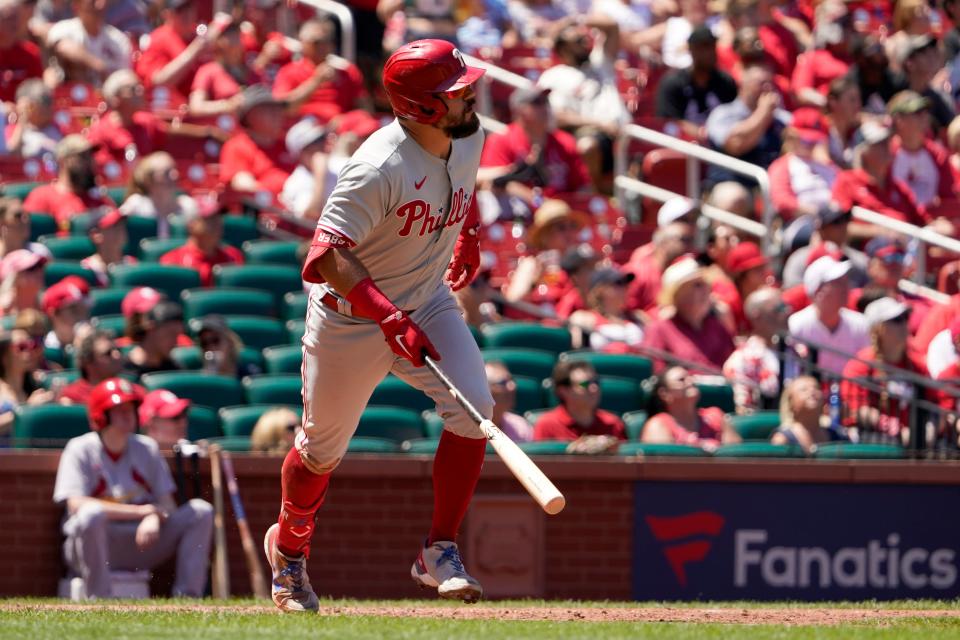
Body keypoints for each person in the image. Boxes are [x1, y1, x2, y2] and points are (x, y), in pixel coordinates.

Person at [263, 40, 491, 612]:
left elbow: (462, 189)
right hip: (352, 318)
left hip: (427, 297)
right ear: (425, 108)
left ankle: (438, 550)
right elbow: (324, 256)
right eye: (458, 92)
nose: (472, 96)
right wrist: (386, 316)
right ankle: (289, 556)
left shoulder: (470, 135)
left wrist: (467, 234)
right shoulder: (378, 165)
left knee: (475, 413)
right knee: (320, 452)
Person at [53, 378, 213, 599]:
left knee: (200, 511)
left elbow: (167, 504)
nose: (128, 415)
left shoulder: (146, 448)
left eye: (130, 408)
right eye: (119, 410)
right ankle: (98, 598)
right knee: (91, 514)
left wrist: (155, 517)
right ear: (101, 416)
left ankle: (188, 597)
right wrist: (142, 512)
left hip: (140, 542)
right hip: (94, 545)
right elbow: (76, 504)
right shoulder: (79, 448)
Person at [537, 16, 631, 187]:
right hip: (590, 132)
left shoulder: (600, 62)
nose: (585, 41)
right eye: (578, 40)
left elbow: (612, 25)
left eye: (584, 38)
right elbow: (556, 116)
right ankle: (594, 197)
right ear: (563, 48)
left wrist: (575, 20)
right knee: (587, 146)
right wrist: (600, 123)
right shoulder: (554, 76)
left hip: (623, 132)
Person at [477, 85, 592, 203]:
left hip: (563, 213)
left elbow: (583, 187)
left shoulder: (565, 141)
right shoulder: (501, 140)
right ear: (518, 110)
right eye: (537, 102)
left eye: (546, 101)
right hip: (519, 213)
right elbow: (493, 183)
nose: (545, 107)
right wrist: (540, 202)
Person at [840, 297, 922, 441]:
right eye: (897, 320)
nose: (904, 324)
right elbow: (857, 409)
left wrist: (925, 429)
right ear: (879, 328)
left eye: (905, 317)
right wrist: (893, 428)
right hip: (872, 438)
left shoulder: (916, 364)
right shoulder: (860, 363)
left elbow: (936, 403)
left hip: (911, 440)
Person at [640, 255, 735, 371]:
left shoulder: (717, 327)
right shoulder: (659, 330)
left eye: (706, 284)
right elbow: (654, 372)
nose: (706, 290)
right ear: (677, 295)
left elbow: (734, 365)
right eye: (697, 285)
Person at [704, 60, 789, 188]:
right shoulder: (723, 113)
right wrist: (763, 113)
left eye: (770, 83)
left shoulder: (781, 119)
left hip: (772, 188)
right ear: (743, 85)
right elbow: (736, 144)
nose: (767, 88)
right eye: (761, 83)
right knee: (734, 197)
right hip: (732, 185)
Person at [831, 122, 930, 230]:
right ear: (863, 152)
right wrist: (878, 231)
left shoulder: (898, 187)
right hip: (869, 245)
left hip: (905, 244)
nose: (887, 146)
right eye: (879, 143)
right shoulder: (847, 181)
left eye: (887, 142)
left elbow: (923, 222)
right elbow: (837, 226)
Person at [272, 17, 371, 124]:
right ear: (303, 43)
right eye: (317, 42)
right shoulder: (288, 71)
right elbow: (283, 108)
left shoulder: (347, 71)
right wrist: (316, 81)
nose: (324, 46)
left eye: (329, 41)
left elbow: (365, 108)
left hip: (340, 127)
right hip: (305, 127)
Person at [788, 255, 870, 374]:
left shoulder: (860, 324)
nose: (846, 288)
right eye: (837, 283)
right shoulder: (796, 325)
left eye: (845, 281)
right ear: (818, 291)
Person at [655, 25, 737, 142]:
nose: (709, 53)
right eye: (703, 47)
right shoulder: (673, 83)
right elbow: (668, 122)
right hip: (683, 147)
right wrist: (701, 134)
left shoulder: (724, 81)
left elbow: (735, 114)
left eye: (711, 46)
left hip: (721, 146)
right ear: (692, 50)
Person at [137, 1, 231, 99]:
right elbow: (158, 81)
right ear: (166, 14)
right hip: (171, 107)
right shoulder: (159, 38)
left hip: (204, 102)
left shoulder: (198, 32)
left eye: (190, 8)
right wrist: (194, 50)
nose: (187, 14)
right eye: (180, 10)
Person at [502, 200, 586, 308]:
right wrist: (534, 281)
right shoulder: (532, 264)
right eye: (561, 227)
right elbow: (513, 301)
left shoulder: (582, 265)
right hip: (537, 323)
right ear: (544, 236)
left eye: (572, 226)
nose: (569, 232)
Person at [22, 135, 114, 233]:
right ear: (63, 161)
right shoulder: (42, 196)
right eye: (82, 157)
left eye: (90, 157)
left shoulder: (100, 200)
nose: (89, 162)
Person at [219, 85, 296, 196]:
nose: (277, 114)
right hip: (268, 209)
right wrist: (277, 198)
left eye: (278, 109)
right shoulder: (237, 146)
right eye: (268, 110)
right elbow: (243, 185)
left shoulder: (289, 144)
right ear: (249, 116)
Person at [888, 91, 960, 211]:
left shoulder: (938, 154)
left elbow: (949, 197)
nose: (924, 117)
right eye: (917, 113)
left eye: (925, 112)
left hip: (931, 223)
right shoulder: (885, 154)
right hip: (896, 223)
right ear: (898, 120)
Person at [722, 287, 790, 414]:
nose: (787, 312)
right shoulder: (741, 360)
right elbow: (744, 410)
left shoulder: (798, 352)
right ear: (757, 317)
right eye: (779, 309)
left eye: (786, 306)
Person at [641, 365, 741, 450]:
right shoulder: (658, 425)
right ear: (665, 394)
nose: (691, 381)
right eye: (682, 380)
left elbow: (737, 456)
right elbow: (662, 467)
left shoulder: (715, 416)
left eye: (690, 377)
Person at [767, 108, 838, 221]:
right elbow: (782, 201)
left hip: (834, 225)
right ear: (791, 136)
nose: (811, 145)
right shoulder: (781, 166)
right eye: (806, 140)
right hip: (800, 225)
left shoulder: (829, 166)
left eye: (815, 140)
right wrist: (818, 214)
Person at [159, 196, 244, 287]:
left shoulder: (234, 256)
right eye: (209, 218)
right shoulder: (172, 261)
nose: (217, 222)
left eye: (218, 217)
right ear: (191, 224)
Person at [533, 360, 626, 442]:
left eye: (596, 382)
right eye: (585, 384)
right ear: (563, 391)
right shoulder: (547, 425)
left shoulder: (612, 424)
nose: (594, 388)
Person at [188, 20, 265, 117]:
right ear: (218, 41)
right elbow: (196, 107)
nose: (236, 38)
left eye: (236, 33)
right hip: (223, 127)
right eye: (229, 34)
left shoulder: (252, 72)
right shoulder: (208, 71)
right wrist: (227, 105)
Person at [781, 204, 868, 290]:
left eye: (846, 219)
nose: (843, 226)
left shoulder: (859, 259)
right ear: (821, 228)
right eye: (836, 222)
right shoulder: (799, 258)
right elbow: (791, 292)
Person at [46, 0, 132, 85]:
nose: (100, 5)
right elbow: (63, 48)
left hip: (106, 95)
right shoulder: (64, 28)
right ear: (76, 6)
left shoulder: (118, 39)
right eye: (93, 1)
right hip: (74, 92)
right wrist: (97, 65)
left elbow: (124, 78)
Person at [624, 217, 696, 316]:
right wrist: (657, 317)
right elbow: (625, 311)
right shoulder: (637, 272)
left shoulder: (683, 271)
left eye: (691, 240)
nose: (690, 246)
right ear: (664, 243)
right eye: (684, 240)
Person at [789, 0, 854, 108]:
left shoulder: (856, 58)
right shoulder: (813, 57)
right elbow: (800, 92)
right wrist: (830, 104)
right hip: (826, 116)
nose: (845, 30)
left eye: (846, 23)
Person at [119, 151, 197, 239]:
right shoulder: (137, 204)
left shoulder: (188, 206)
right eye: (166, 173)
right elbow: (115, 228)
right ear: (149, 180)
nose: (174, 176)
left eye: (174, 170)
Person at [568, 267, 644, 352]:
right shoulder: (585, 318)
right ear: (600, 290)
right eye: (618, 283)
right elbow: (576, 351)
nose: (625, 289)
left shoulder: (638, 318)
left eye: (626, 284)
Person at [279, 118, 339, 222]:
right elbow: (311, 216)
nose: (321, 145)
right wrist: (320, 175)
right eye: (314, 143)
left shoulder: (339, 162)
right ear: (300, 153)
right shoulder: (295, 182)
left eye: (322, 139)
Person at [0, 327, 55, 437]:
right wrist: (27, 410)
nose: (30, 352)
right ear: (4, 356)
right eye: (22, 347)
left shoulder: (37, 385)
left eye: (32, 346)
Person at [771, 375, 848, 453]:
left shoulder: (837, 436)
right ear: (791, 403)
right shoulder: (782, 439)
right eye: (804, 390)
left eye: (816, 388)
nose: (812, 391)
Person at [896, 34, 955, 133]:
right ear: (909, 63)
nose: (931, 55)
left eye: (931, 50)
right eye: (923, 52)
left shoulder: (939, 97)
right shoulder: (893, 92)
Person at [713, 241, 772, 334]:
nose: (764, 272)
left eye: (763, 267)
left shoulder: (764, 295)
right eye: (757, 269)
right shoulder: (729, 302)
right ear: (741, 275)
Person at [121, 300, 184, 378]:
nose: (175, 341)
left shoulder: (174, 370)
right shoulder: (124, 371)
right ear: (151, 328)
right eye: (170, 334)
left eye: (176, 335)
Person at [58, 330, 123, 405]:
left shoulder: (127, 389)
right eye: (108, 353)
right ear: (88, 362)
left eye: (118, 350)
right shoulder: (72, 397)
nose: (117, 356)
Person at [4, 79, 63, 159]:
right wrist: (23, 120)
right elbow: (10, 155)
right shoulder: (12, 130)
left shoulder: (58, 127)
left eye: (48, 102)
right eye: (44, 102)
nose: (48, 108)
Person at [81, 208, 137, 287]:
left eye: (122, 226)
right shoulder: (86, 269)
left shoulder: (133, 264)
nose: (121, 230)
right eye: (114, 227)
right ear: (96, 235)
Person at [0, 0, 43, 104]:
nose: (14, 23)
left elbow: (36, 91)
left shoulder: (31, 53)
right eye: (9, 18)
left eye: (16, 18)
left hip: (23, 114)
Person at [194, 314, 261, 377]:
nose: (210, 347)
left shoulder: (250, 374)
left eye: (215, 340)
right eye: (204, 343)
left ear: (229, 342)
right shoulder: (199, 380)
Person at [485, 361, 533, 443]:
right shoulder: (466, 428)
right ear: (485, 390)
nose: (512, 387)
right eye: (502, 382)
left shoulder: (520, 427)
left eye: (511, 380)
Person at [41, 276, 90, 350]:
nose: (81, 315)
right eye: (73, 309)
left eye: (82, 307)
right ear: (53, 314)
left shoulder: (96, 340)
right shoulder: (46, 347)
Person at [824, 77, 862, 170]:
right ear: (833, 102)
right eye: (852, 100)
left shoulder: (857, 131)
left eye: (858, 100)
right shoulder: (822, 129)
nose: (858, 105)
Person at [0, 249, 46, 317]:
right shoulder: (2, 311)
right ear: (14, 277)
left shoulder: (51, 308)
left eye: (40, 266)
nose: (39, 272)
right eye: (32, 268)